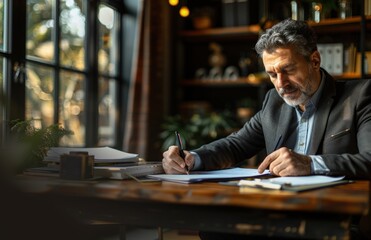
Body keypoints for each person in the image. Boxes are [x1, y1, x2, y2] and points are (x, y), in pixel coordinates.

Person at [163, 18, 371, 239]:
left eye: (288, 69)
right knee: (215, 228)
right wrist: (192, 158)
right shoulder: (274, 101)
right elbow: (235, 145)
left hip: (333, 215)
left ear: (315, 60)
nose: (281, 83)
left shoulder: (359, 96)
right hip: (278, 211)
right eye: (272, 74)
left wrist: (310, 164)